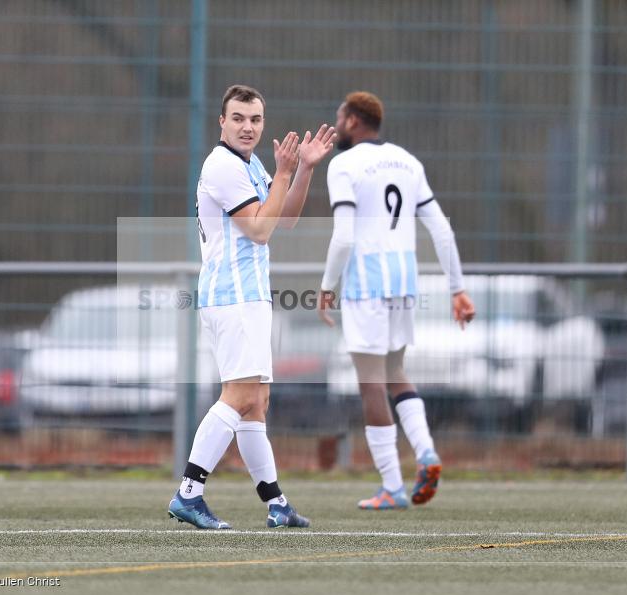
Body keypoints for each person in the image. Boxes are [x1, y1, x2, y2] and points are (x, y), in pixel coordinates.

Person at [168, 84, 336, 529]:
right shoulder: (222, 165)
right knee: (240, 395)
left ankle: (276, 503)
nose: (248, 127)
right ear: (221, 122)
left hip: (251, 296)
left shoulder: (250, 164)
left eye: (256, 119)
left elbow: (286, 219)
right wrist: (283, 174)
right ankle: (189, 492)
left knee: (256, 402)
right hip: (233, 296)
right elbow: (259, 230)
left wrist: (302, 170)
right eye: (239, 118)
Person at [317, 91, 475, 510]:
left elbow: (344, 237)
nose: (337, 125)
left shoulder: (343, 165)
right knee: (395, 373)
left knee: (371, 382)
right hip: (404, 282)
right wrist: (457, 289)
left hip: (366, 284)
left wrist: (328, 285)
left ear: (353, 120)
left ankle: (392, 486)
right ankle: (426, 452)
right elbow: (442, 230)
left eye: (339, 118)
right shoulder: (408, 161)